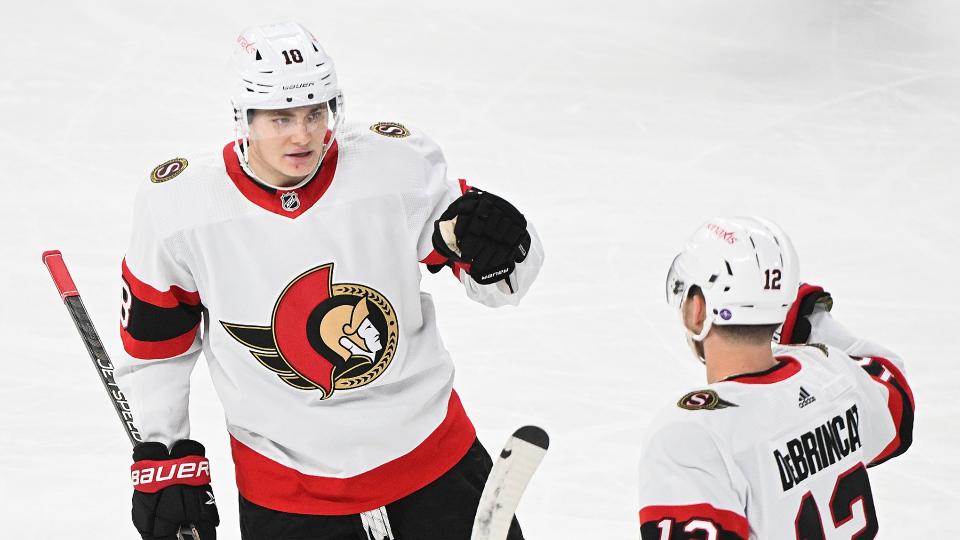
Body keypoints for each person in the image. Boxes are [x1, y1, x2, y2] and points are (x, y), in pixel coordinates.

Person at [117, 21, 542, 540]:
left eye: (315, 112)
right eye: (281, 117)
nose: (303, 134)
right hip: (288, 492)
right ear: (242, 118)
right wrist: (165, 455)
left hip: (433, 462)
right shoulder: (181, 208)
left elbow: (501, 283)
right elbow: (156, 347)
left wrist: (502, 246)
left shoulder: (394, 168)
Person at [640, 217, 913, 539]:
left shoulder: (692, 435)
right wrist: (816, 323)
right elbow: (896, 398)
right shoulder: (833, 375)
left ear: (697, 309)